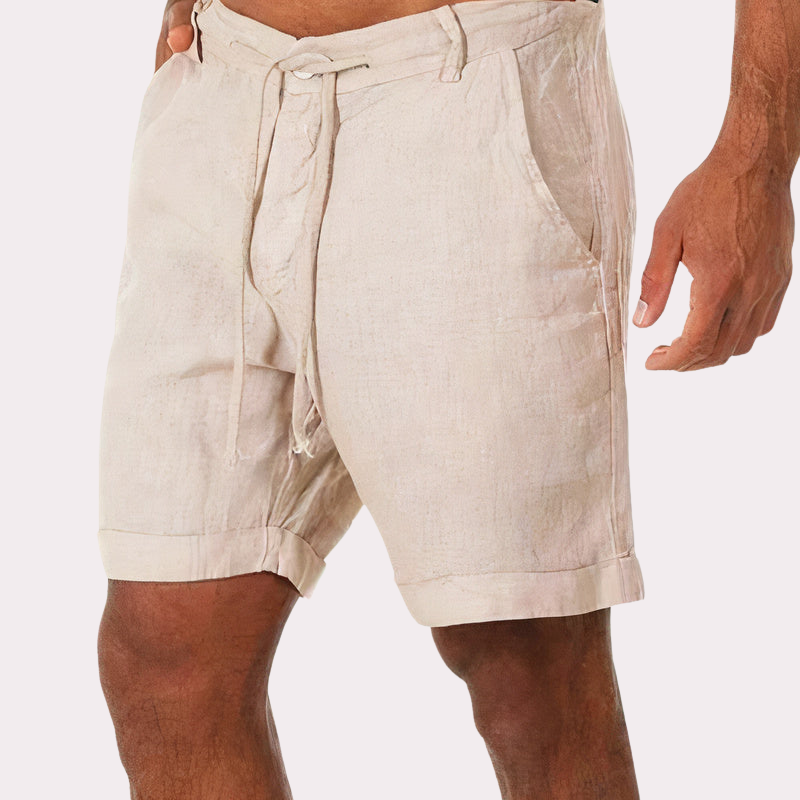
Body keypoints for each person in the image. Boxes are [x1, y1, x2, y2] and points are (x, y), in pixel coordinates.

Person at [95, 0, 796, 797]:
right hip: (220, 99)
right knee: (165, 657)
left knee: (523, 661)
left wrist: (757, 156)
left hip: (474, 95)